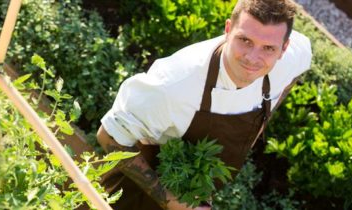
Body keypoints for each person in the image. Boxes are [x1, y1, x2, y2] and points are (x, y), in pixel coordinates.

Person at [96, 0, 312, 209]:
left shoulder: (292, 58)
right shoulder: (175, 84)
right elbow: (109, 135)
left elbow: (300, 63)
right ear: (228, 29)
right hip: (127, 197)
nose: (252, 58)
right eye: (245, 40)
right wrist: (173, 202)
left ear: (284, 48)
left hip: (193, 196)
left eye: (268, 48)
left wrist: (268, 111)